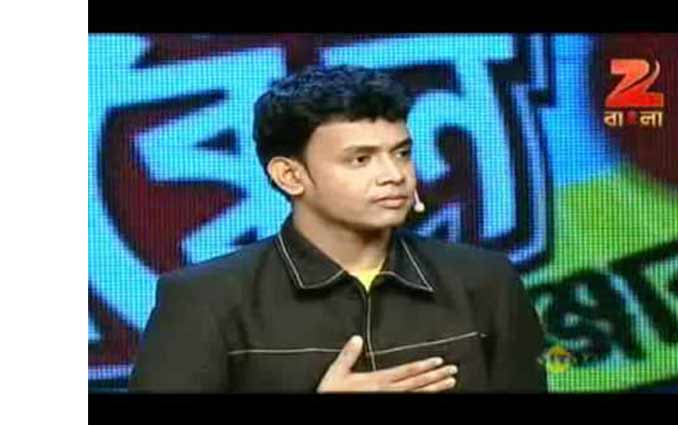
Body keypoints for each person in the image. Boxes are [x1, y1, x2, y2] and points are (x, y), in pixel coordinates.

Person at [128, 65, 547, 393]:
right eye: (360, 159)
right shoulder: (206, 300)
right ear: (290, 176)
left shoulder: (485, 281)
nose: (394, 175)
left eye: (401, 153)